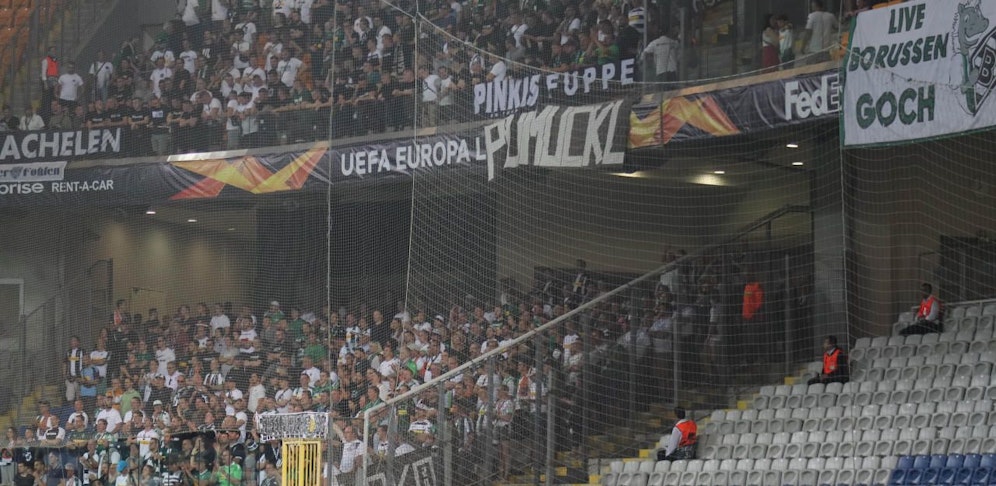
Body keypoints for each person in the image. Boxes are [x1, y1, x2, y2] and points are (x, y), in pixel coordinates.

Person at [801, 0, 838, 64]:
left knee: (812, 71)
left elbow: (808, 33)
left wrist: (802, 47)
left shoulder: (811, 16)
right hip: (826, 50)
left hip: (814, 51)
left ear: (815, 6)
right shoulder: (830, 16)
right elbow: (837, 27)